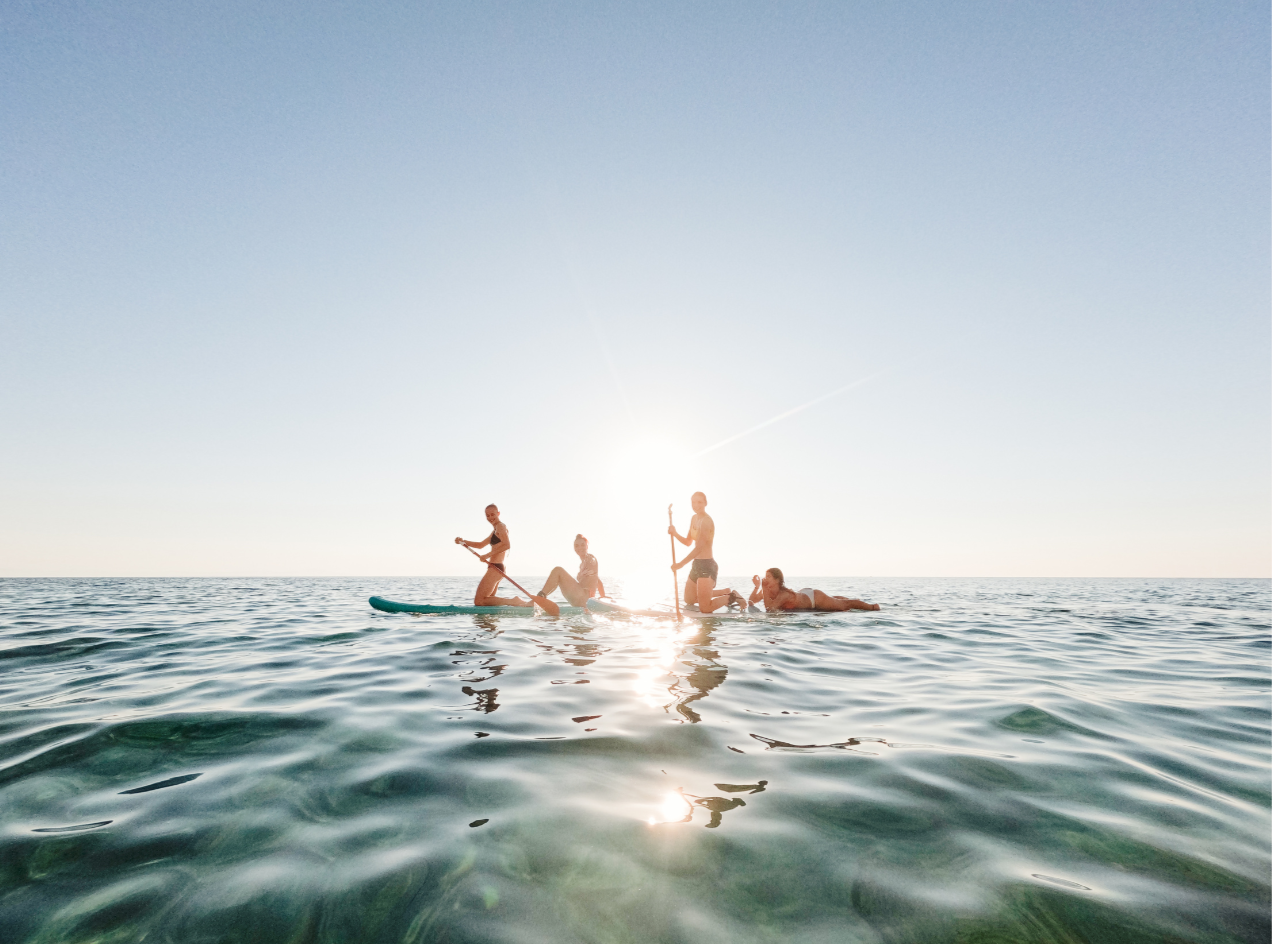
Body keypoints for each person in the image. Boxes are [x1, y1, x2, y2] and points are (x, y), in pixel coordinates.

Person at [668, 491, 743, 613]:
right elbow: (688, 542)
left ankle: (732, 597)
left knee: (705, 608)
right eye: (693, 502)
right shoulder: (694, 518)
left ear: (705, 503)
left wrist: (680, 565)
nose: (696, 505)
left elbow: (699, 548)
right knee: (689, 600)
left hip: (707, 566)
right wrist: (674, 533)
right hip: (696, 565)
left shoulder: (706, 521)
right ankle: (725, 591)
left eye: (699, 502)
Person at [455, 504, 530, 607]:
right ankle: (491, 621)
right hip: (496, 567)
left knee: (479, 601)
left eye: (492, 514)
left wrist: (487, 555)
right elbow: (480, 545)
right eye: (487, 515)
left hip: (496, 568)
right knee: (488, 602)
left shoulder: (500, 526)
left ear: (498, 513)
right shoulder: (494, 530)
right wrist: (463, 542)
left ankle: (513, 601)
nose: (490, 517)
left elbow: (507, 545)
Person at [748, 567, 879, 612]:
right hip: (803, 594)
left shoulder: (783, 594)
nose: (765, 580)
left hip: (814, 598)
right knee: (834, 600)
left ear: (777, 580)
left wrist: (763, 588)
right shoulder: (768, 590)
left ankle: (873, 607)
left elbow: (770, 608)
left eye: (768, 577)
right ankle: (847, 599)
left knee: (844, 605)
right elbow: (752, 600)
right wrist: (757, 587)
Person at [538, 534, 607, 607]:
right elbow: (598, 581)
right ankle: (541, 598)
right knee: (558, 578)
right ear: (574, 548)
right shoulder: (582, 565)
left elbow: (594, 574)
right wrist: (603, 597)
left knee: (558, 570)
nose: (580, 547)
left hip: (585, 599)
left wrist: (600, 600)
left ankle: (540, 598)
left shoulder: (590, 559)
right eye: (576, 546)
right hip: (581, 599)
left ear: (587, 546)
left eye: (582, 545)